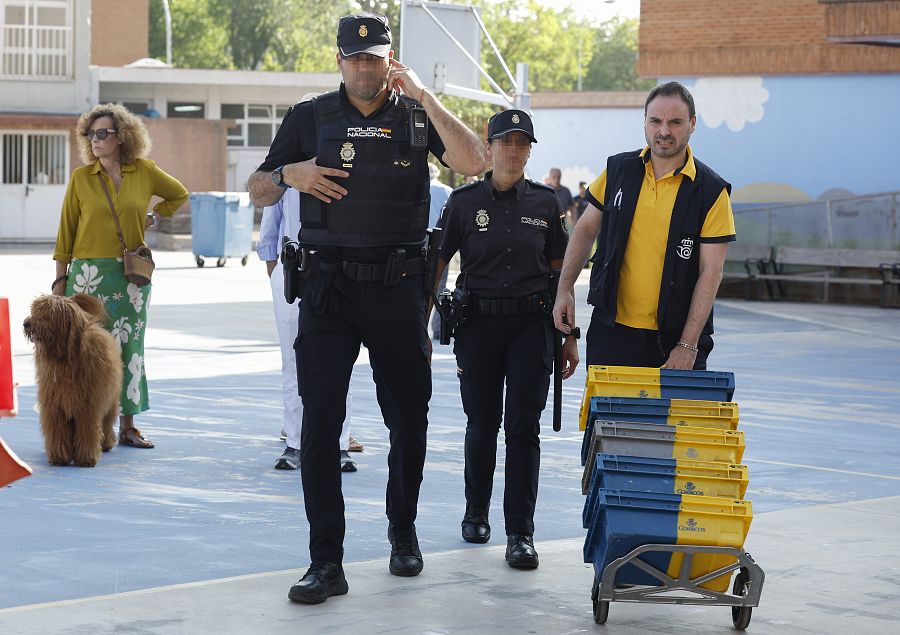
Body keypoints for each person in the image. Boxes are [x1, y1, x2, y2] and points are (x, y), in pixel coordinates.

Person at [247, 12, 486, 604]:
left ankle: (402, 533)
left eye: (374, 57)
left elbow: (474, 160)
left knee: (410, 416)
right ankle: (326, 561)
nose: (363, 66)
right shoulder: (311, 116)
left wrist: (426, 96)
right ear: (339, 61)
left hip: (397, 287)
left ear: (389, 59)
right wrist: (288, 173)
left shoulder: (415, 114)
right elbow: (256, 186)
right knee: (320, 425)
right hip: (327, 291)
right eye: (353, 57)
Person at [435, 110, 578, 569]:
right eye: (505, 142)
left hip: (530, 329)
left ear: (530, 150)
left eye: (522, 143)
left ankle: (521, 532)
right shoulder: (462, 201)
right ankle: (475, 512)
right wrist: (422, 321)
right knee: (481, 424)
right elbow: (437, 266)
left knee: (523, 430)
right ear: (490, 145)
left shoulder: (546, 202)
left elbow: (562, 274)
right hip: (478, 326)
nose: (513, 151)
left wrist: (570, 335)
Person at [552, 82, 735, 370]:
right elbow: (585, 231)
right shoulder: (618, 170)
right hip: (612, 332)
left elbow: (711, 272)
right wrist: (564, 290)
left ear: (693, 124)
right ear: (645, 123)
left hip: (675, 342)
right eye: (655, 121)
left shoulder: (711, 191)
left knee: (670, 418)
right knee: (608, 416)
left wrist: (688, 345)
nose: (664, 131)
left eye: (675, 122)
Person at [52, 103, 188, 448]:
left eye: (102, 133)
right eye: (90, 134)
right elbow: (66, 230)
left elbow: (178, 194)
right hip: (87, 277)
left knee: (130, 349)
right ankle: (90, 425)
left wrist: (154, 216)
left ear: (122, 136)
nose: (95, 140)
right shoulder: (81, 178)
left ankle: (127, 426)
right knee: (86, 352)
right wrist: (60, 278)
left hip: (131, 276)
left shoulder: (144, 171)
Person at [256, 186, 357, 473]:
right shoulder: (288, 165)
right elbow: (270, 229)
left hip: (341, 270)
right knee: (293, 359)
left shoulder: (346, 158)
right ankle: (296, 442)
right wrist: (279, 275)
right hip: (293, 270)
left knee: (340, 360)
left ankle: (339, 444)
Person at [427, 162, 453, 338]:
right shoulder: (446, 190)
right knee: (440, 285)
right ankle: (438, 329)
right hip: (440, 240)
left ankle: (419, 323)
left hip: (419, 237)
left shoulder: (418, 186)